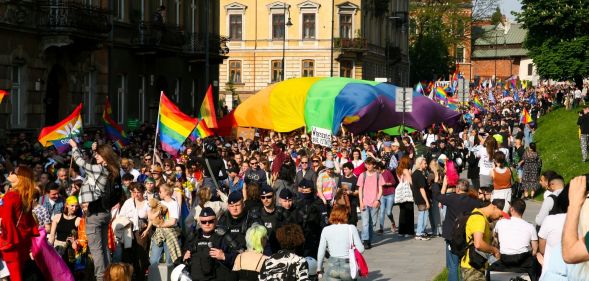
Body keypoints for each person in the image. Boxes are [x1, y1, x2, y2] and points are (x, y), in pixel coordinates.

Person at [70, 139, 121, 281]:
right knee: (104, 249)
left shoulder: (99, 169)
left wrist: (74, 147)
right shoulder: (114, 170)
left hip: (95, 214)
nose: (96, 157)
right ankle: (109, 277)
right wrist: (94, 150)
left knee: (96, 251)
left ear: (104, 156)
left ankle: (100, 278)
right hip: (106, 213)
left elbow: (81, 162)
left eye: (98, 155)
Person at [433, 178, 481, 281]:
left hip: (452, 236)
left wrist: (437, 182)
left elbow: (437, 196)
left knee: (453, 265)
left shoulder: (452, 198)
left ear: (458, 189)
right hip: (466, 237)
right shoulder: (474, 202)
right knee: (464, 263)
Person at [0, 166, 40, 281]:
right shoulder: (25, 195)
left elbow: (6, 220)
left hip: (11, 240)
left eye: (14, 172)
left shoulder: (11, 196)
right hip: (23, 240)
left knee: (15, 275)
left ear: (20, 178)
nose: (10, 172)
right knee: (18, 273)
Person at [183, 207, 240, 280]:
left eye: (210, 221)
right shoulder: (194, 237)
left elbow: (238, 253)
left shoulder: (223, 236)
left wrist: (224, 256)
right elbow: (183, 256)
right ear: (200, 223)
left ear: (216, 221)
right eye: (204, 222)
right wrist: (185, 257)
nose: (207, 224)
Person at [490, 199, 538, 280]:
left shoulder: (500, 223)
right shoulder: (530, 226)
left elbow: (494, 237)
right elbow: (535, 249)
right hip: (523, 261)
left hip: (505, 259)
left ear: (511, 209)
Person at [316, 205, 364, 280]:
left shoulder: (326, 229)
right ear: (345, 215)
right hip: (348, 266)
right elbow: (361, 249)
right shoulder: (351, 228)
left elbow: (321, 251)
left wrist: (319, 268)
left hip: (332, 265)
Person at [460, 201, 504, 281]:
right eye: (500, 215)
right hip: (473, 269)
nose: (500, 218)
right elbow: (478, 244)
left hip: (477, 265)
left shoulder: (481, 217)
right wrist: (495, 250)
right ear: (494, 207)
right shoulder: (479, 218)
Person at [118, 182, 150, 281]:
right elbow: (121, 216)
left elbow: (151, 219)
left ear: (143, 192)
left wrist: (147, 229)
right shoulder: (128, 202)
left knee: (141, 257)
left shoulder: (147, 203)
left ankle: (140, 277)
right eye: (134, 192)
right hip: (128, 231)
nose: (136, 194)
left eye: (139, 192)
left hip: (142, 231)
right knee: (128, 256)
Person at [148, 183, 182, 267]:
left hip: (170, 232)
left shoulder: (174, 204)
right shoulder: (159, 203)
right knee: (153, 260)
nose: (159, 193)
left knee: (169, 261)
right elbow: (150, 217)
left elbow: (172, 221)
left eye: (160, 191)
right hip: (159, 233)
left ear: (166, 192)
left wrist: (159, 225)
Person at [48, 195, 82, 270]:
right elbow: (52, 235)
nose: (74, 208)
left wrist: (75, 242)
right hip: (57, 248)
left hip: (70, 250)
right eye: (72, 206)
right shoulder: (57, 217)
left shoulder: (78, 220)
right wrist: (49, 249)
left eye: (76, 206)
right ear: (66, 205)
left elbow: (81, 237)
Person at [357, 157, 383, 249]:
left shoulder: (378, 175)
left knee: (373, 223)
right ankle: (365, 240)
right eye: (366, 164)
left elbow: (380, 189)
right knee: (365, 223)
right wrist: (360, 202)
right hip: (365, 201)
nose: (368, 166)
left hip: (375, 202)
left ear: (374, 165)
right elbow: (360, 189)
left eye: (370, 164)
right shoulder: (362, 175)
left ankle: (369, 239)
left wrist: (378, 200)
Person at [412, 156, 430, 240]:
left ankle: (421, 231)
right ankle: (420, 232)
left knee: (423, 214)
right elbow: (422, 189)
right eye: (424, 163)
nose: (426, 165)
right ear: (419, 164)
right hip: (421, 197)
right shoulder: (419, 174)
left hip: (418, 196)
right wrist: (427, 201)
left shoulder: (416, 173)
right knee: (423, 215)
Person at [396, 156, 415, 237]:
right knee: (409, 213)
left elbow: (400, 181)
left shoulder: (398, 170)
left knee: (402, 212)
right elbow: (410, 182)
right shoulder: (406, 170)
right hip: (407, 194)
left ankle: (401, 231)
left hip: (401, 194)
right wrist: (410, 174)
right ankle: (409, 231)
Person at [377, 162, 396, 235]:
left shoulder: (388, 172)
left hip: (390, 194)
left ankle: (393, 222)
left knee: (388, 212)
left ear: (379, 168)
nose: (375, 170)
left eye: (376, 169)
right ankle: (381, 228)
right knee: (381, 212)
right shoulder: (377, 175)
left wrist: (386, 184)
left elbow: (393, 182)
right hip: (382, 195)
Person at [340, 162, 359, 226]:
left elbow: (357, 192)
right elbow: (337, 189)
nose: (344, 171)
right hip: (342, 203)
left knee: (352, 222)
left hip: (352, 203)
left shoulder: (355, 179)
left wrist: (351, 192)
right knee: (344, 222)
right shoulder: (341, 178)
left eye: (346, 169)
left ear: (351, 170)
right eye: (344, 169)